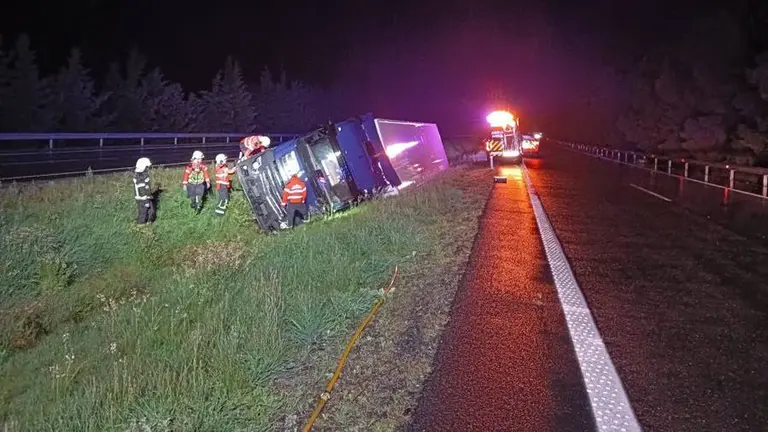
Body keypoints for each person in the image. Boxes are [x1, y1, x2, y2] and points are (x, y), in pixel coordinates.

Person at [133, 157, 155, 224]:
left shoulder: (143, 176)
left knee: (151, 210)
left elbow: (147, 188)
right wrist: (146, 201)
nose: (148, 169)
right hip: (143, 199)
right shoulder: (140, 178)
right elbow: (143, 190)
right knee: (143, 212)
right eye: (147, 167)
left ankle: (149, 221)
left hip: (146, 197)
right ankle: (141, 223)